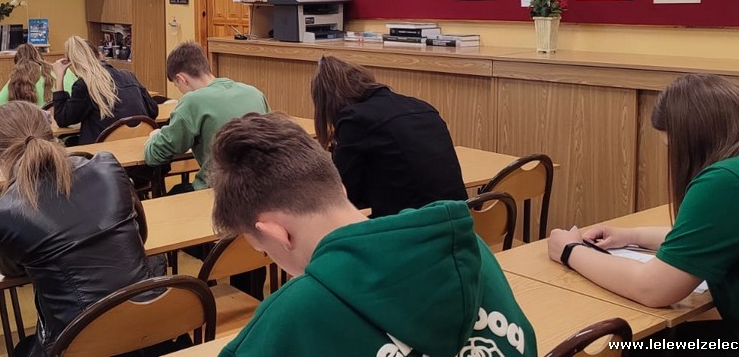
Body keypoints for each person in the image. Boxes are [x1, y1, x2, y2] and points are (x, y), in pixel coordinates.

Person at [210, 112, 537, 356]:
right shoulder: (464, 248)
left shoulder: (291, 316)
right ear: (339, 188)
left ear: (277, 233)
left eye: (264, 249)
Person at [547, 74, 739, 356]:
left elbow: (653, 289)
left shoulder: (730, 180)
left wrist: (570, 251)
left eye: (672, 148)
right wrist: (632, 235)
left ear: (693, 141)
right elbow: (713, 238)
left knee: (635, 347)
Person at [0, 101, 157, 357]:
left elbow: (10, 269)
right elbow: (140, 234)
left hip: (77, 342)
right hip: (150, 327)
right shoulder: (107, 167)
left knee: (22, 349)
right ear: (51, 136)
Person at [311, 56, 467, 218]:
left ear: (327, 101)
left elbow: (343, 194)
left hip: (416, 223)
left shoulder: (356, 119)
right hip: (460, 218)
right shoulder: (421, 106)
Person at [144, 41, 268, 190]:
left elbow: (155, 155)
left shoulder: (192, 101)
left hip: (219, 190)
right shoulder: (254, 93)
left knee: (171, 195)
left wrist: (154, 137)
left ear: (182, 79)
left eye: (177, 85)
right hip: (261, 187)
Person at [51, 36, 157, 145]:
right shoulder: (129, 76)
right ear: (100, 55)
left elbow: (62, 119)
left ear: (73, 64)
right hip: (138, 145)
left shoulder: (84, 85)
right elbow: (153, 110)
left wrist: (59, 77)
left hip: (102, 150)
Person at [0, 44, 76, 109]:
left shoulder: (18, 77)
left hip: (39, 125)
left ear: (17, 63)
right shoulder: (64, 70)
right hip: (73, 122)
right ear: (41, 58)